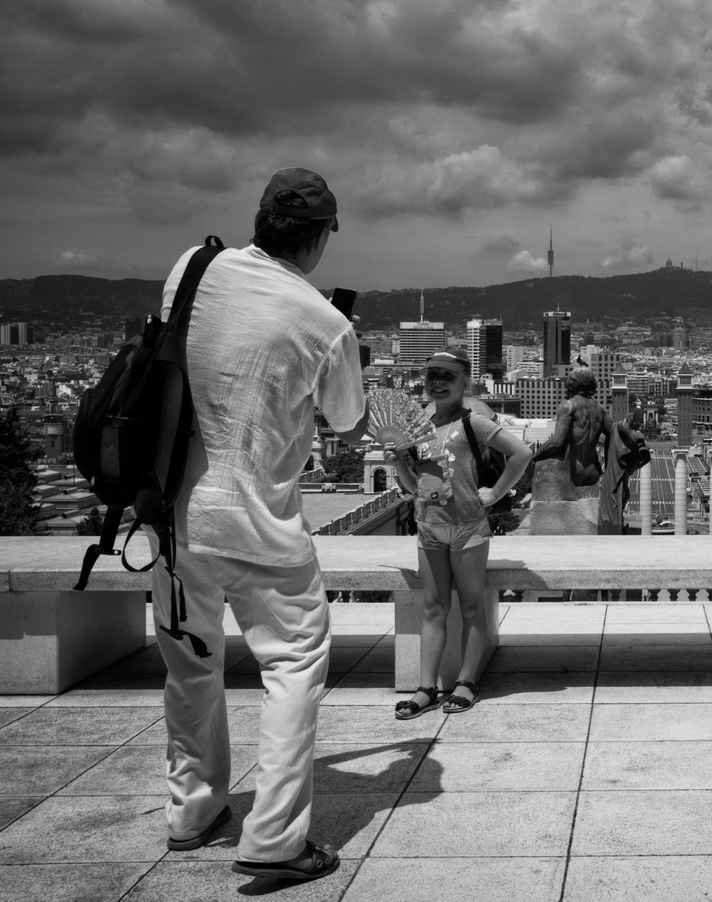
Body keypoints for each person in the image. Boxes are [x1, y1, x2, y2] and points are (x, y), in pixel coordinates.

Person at [154, 167, 368, 883]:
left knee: (190, 666)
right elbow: (346, 421)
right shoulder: (324, 321)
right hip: (259, 526)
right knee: (293, 666)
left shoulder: (193, 267)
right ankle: (274, 839)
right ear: (318, 238)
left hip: (173, 515)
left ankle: (192, 810)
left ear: (261, 220)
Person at [390, 348, 532, 718]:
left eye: (446, 377)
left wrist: (495, 492)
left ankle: (467, 681)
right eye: (431, 376)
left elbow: (520, 453)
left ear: (463, 382)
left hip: (469, 527)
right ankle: (426, 688)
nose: (437, 383)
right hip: (429, 527)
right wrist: (398, 462)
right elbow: (411, 484)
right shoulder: (417, 425)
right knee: (434, 607)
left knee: (471, 606)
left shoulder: (473, 423)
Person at [529, 363, 608, 486]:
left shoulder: (568, 406)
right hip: (594, 473)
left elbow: (556, 443)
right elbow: (615, 434)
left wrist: (533, 458)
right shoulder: (600, 410)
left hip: (572, 473)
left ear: (572, 386)